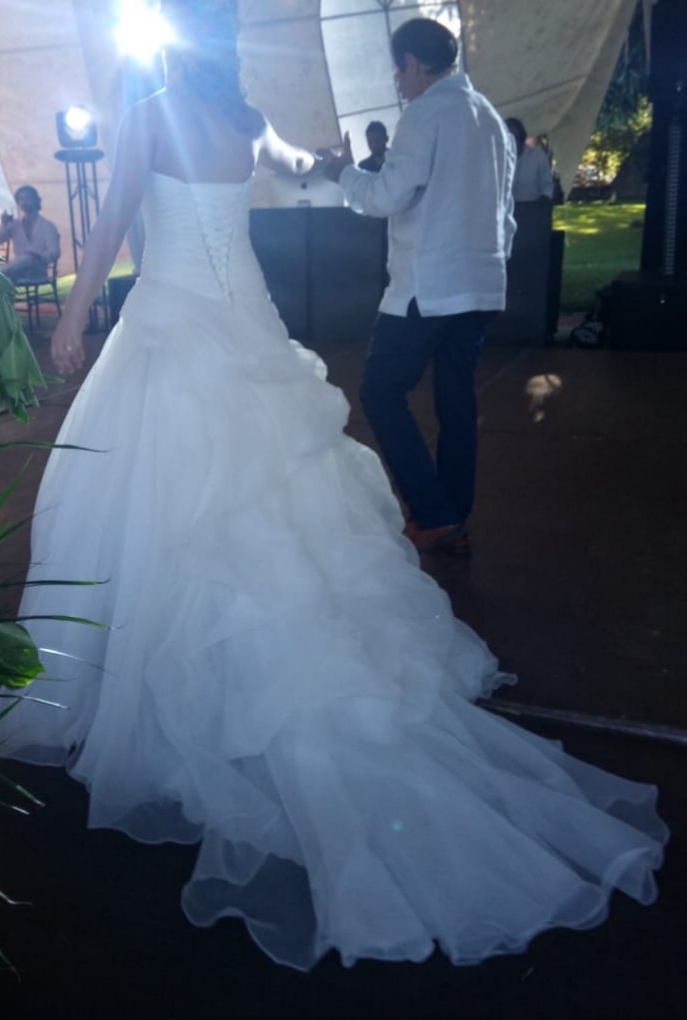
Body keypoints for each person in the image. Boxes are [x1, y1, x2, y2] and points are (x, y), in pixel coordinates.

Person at [5, 1, 666, 973]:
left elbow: (108, 227)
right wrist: (326, 161)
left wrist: (69, 320)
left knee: (157, 500)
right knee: (262, 499)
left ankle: (157, 681)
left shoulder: (147, 114)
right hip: (246, 321)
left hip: (172, 324)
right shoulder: (246, 120)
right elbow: (305, 165)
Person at [323, 19, 516, 555]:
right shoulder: (491, 118)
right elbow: (506, 215)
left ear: (410, 62)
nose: (396, 80)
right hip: (481, 282)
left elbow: (386, 196)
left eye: (397, 69)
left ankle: (433, 512)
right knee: (456, 401)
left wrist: (342, 172)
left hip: (429, 286)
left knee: (380, 391)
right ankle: (450, 514)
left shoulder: (426, 113)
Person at [0, 185, 60, 282]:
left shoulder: (47, 226)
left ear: (36, 200)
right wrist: (4, 225)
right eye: (21, 199)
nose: (24, 202)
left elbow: (54, 252)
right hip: (17, 270)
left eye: (28, 198)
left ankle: (2, 274)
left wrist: (38, 256)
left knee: (28, 258)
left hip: (37, 270)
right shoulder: (15, 225)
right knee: (22, 260)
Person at [505, 117, 555, 202]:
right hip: (506, 207)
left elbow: (547, 185)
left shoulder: (537, 156)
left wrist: (544, 200)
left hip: (532, 205)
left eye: (515, 136)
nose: (512, 140)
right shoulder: (498, 160)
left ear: (522, 138)